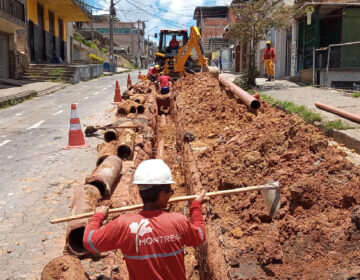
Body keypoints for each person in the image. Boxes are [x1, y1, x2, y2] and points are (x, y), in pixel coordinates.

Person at [83, 159, 207, 280]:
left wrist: (97, 217)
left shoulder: (123, 224)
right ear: (161, 194)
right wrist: (196, 207)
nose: (170, 195)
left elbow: (89, 242)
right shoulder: (178, 221)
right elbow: (200, 236)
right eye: (170, 191)